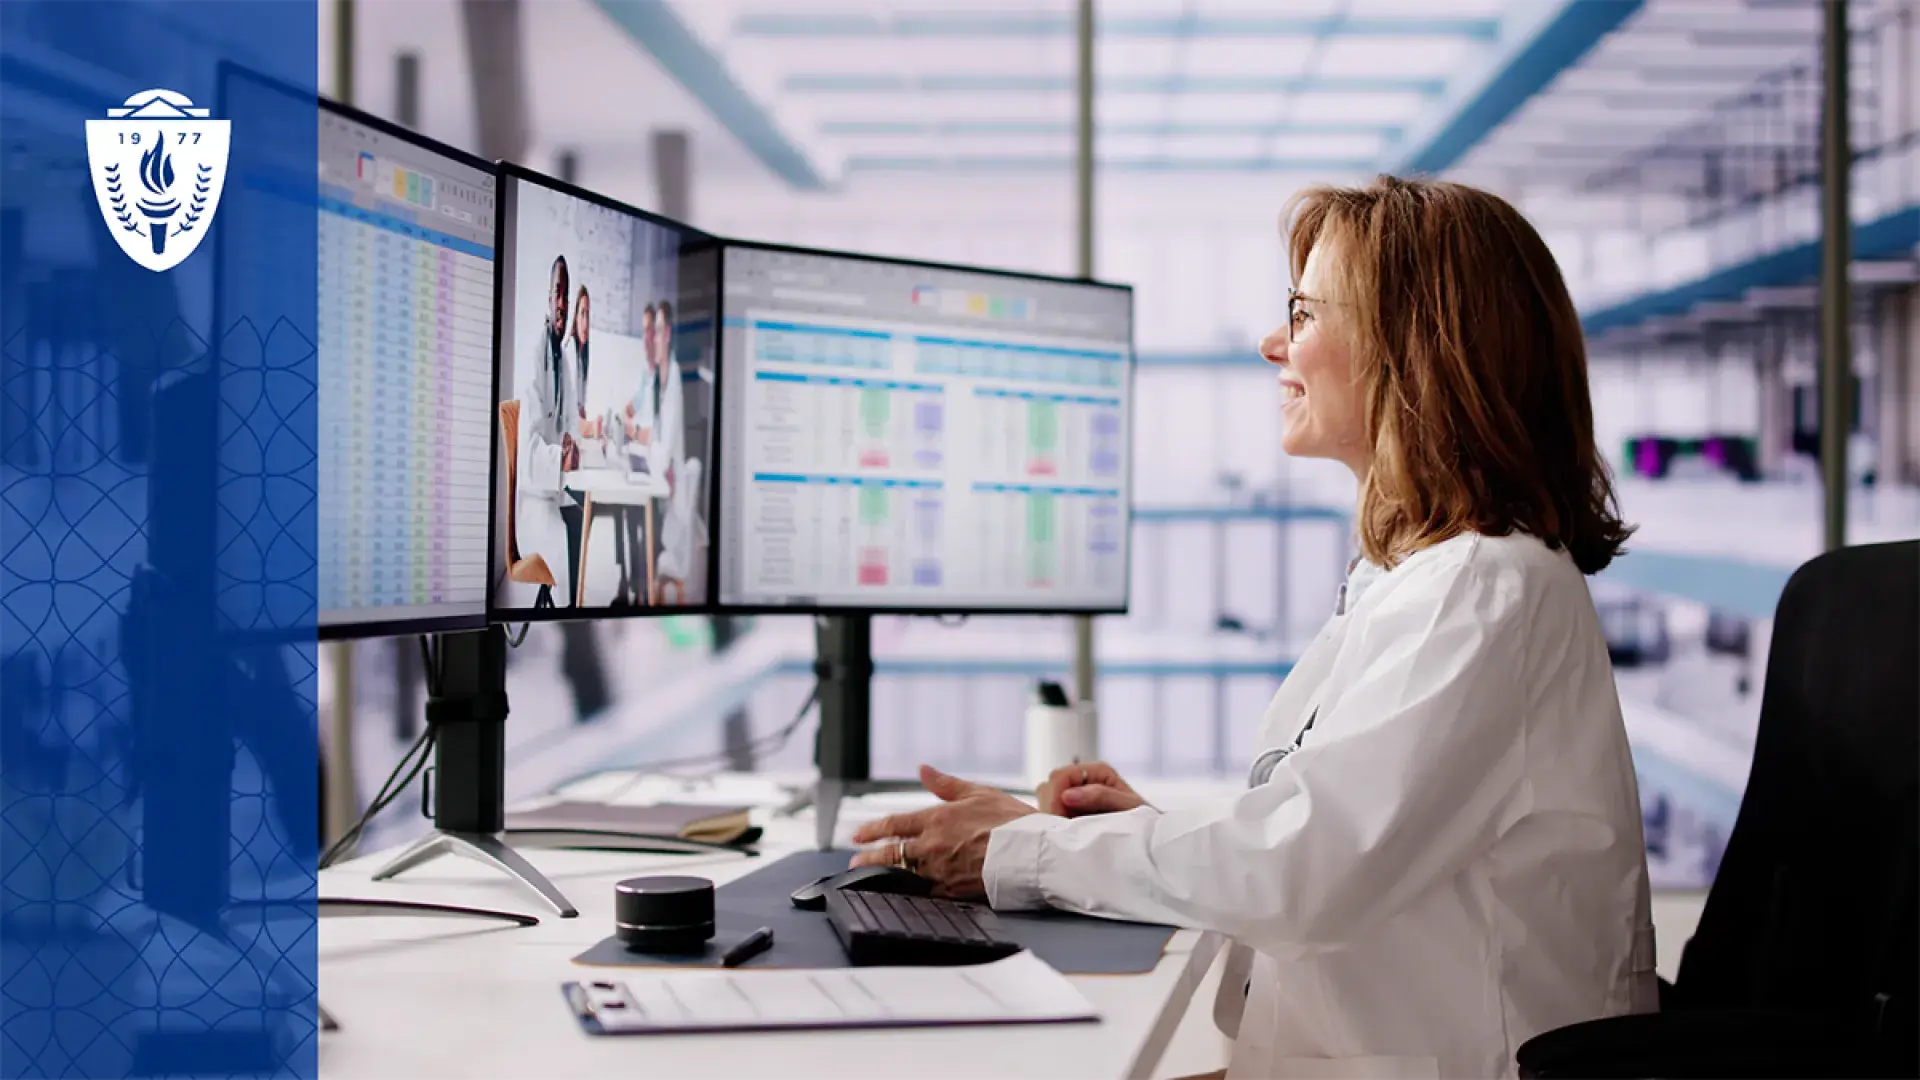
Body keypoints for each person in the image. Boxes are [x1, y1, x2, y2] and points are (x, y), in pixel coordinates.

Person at [848, 176, 1659, 1080]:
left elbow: (1300, 871)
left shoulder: (1483, 591)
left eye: (1304, 315)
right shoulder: (1426, 581)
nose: (1274, 343)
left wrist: (1024, 851)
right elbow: (1330, 841)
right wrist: (1145, 835)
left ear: (1414, 352)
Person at [513, 254, 584, 605]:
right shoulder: (534, 354)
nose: (561, 303)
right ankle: (570, 621)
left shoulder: (562, 360)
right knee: (569, 530)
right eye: (557, 293)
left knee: (590, 519)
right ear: (547, 297)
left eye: (565, 296)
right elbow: (527, 455)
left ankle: (577, 611)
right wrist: (561, 457)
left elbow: (569, 423)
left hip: (555, 485)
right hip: (534, 499)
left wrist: (571, 446)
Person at [624, 298, 689, 605]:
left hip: (669, 495)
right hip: (658, 480)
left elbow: (662, 448)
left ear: (669, 333)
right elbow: (647, 429)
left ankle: (639, 590)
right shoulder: (654, 378)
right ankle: (632, 588)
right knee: (631, 502)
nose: (653, 338)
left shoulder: (671, 378)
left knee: (636, 508)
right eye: (650, 332)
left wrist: (639, 436)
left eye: (659, 330)